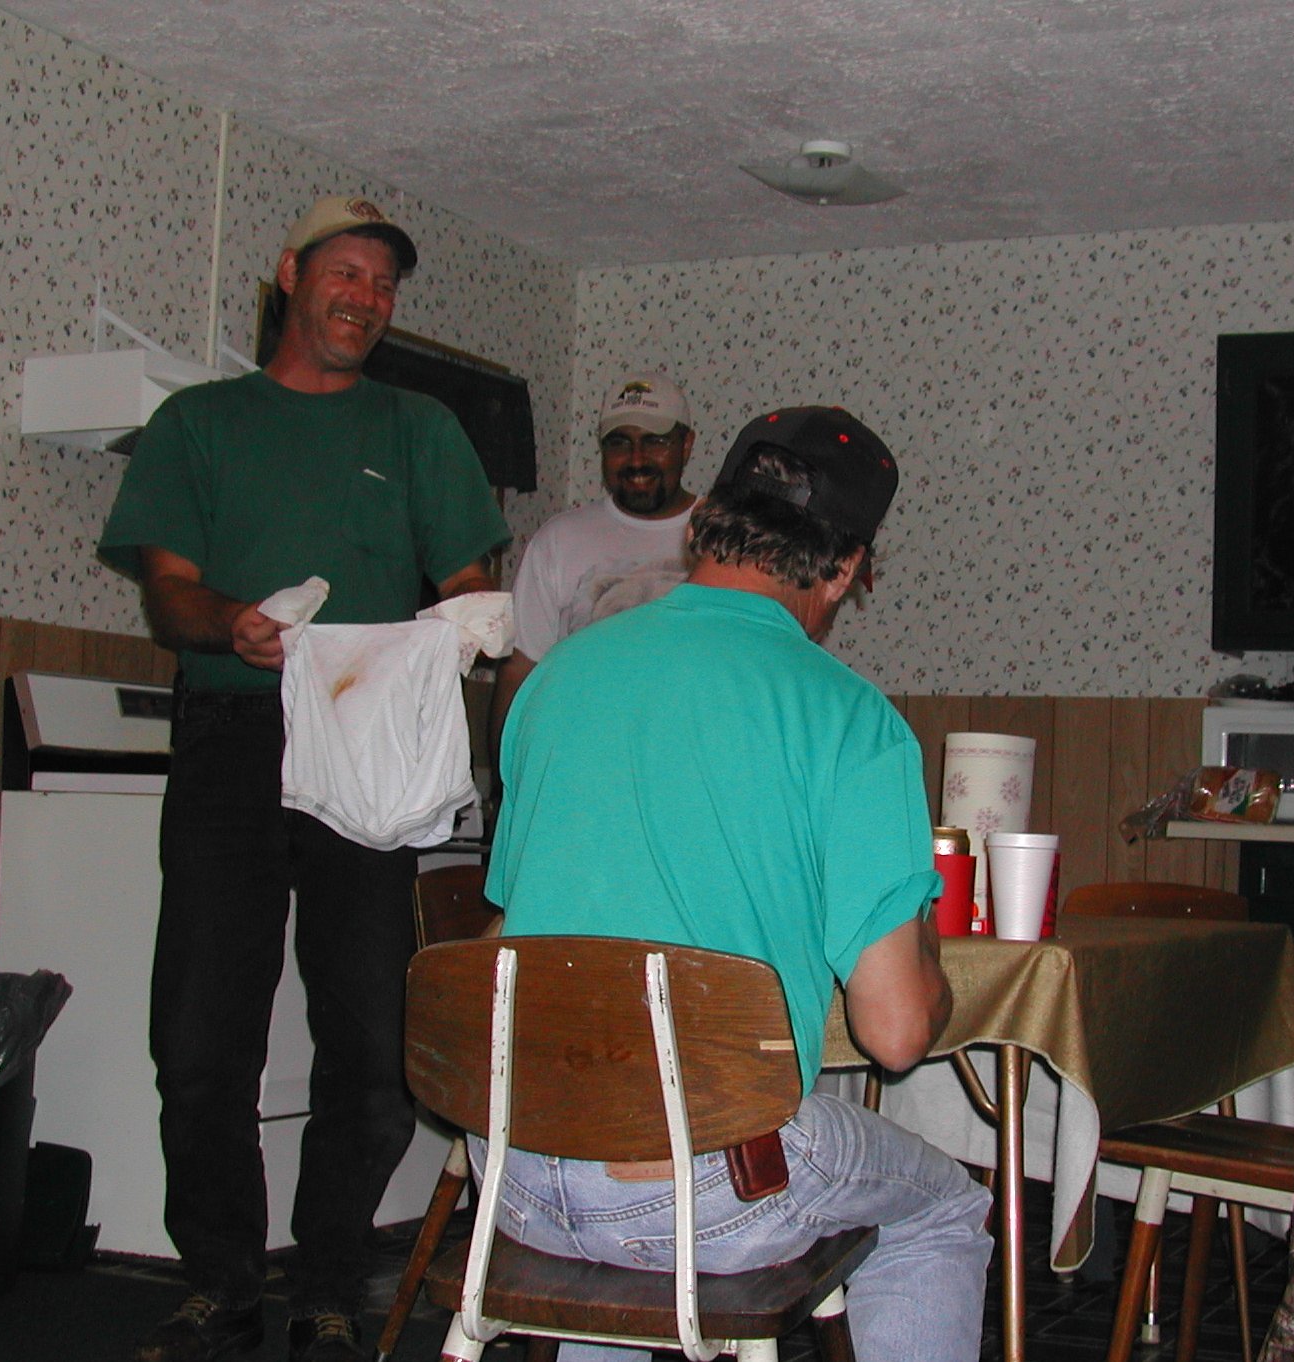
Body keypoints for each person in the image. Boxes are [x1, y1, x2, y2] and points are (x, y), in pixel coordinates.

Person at [487, 406, 993, 1362]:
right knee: (943, 1211)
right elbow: (893, 1035)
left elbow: (511, 937)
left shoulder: (556, 679)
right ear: (845, 568)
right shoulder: (850, 719)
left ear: (703, 522)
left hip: (513, 1178)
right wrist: (922, 944)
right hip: (710, 1193)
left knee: (630, 1193)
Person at [98, 195, 510, 1362]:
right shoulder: (200, 423)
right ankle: (221, 1280)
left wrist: (465, 625)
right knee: (200, 1035)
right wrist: (230, 622)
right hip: (231, 737)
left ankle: (330, 1282)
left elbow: (468, 579)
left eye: (383, 284)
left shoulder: (420, 428)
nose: (365, 298)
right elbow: (168, 589)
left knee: (373, 1045)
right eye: (345, 273)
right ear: (291, 275)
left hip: (367, 746)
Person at [488, 371, 697, 746]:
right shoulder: (559, 540)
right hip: (583, 755)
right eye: (619, 443)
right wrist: (504, 776)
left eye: (655, 441)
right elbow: (520, 670)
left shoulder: (726, 538)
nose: (636, 460)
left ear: (686, 446)